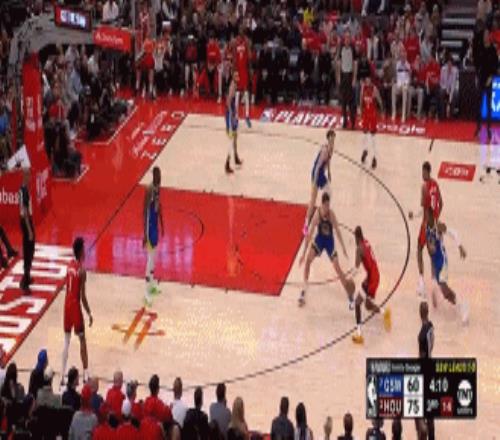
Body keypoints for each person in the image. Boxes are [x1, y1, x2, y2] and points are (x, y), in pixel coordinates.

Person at [299, 192, 351, 308]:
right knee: (307, 261)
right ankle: (304, 290)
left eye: (328, 205)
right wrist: (303, 253)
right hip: (320, 240)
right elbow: (309, 234)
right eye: (326, 205)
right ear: (322, 204)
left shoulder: (331, 215)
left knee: (337, 267)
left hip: (329, 242)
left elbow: (337, 231)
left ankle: (349, 296)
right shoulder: (317, 215)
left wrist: (343, 248)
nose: (327, 207)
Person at [425, 207, 468, 320]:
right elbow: (430, 250)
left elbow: (453, 232)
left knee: (444, 288)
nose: (425, 217)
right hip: (435, 263)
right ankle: (457, 303)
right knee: (442, 290)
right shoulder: (427, 228)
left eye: (427, 215)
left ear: (431, 215)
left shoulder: (438, 226)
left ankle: (461, 305)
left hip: (442, 262)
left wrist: (460, 246)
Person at [61, 237, 93, 385]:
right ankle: (86, 374)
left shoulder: (68, 266)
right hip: (74, 305)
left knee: (66, 340)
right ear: (80, 251)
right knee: (82, 340)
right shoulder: (82, 271)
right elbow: (83, 297)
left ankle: (62, 376)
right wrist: (89, 313)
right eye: (84, 249)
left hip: (66, 304)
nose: (85, 252)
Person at [351, 227, 391, 344]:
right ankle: (359, 334)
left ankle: (384, 312)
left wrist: (348, 277)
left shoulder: (359, 248)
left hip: (372, 279)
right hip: (372, 275)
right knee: (359, 303)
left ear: (356, 237)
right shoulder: (366, 242)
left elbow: (356, 268)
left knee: (367, 305)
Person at [409, 161, 442, 298]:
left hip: (426, 224)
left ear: (427, 172)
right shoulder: (435, 184)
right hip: (434, 223)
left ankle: (422, 283)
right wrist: (436, 219)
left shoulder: (424, 187)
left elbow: (424, 210)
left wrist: (414, 216)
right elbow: (442, 203)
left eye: (423, 172)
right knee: (432, 253)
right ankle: (434, 282)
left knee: (419, 249)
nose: (422, 174)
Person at [303, 129, 335, 236]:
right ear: (328, 139)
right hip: (317, 173)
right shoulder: (324, 150)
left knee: (328, 192)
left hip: (321, 173)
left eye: (333, 138)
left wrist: (329, 172)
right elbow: (317, 166)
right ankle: (306, 224)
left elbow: (329, 161)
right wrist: (314, 182)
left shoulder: (331, 148)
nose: (332, 140)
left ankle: (322, 213)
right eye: (331, 138)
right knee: (313, 199)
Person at [143, 166, 164, 306]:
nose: (160, 177)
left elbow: (158, 205)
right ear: (154, 175)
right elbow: (145, 212)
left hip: (155, 225)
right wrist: (145, 233)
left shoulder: (158, 187)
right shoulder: (149, 189)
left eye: (161, 175)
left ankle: (152, 286)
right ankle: (146, 294)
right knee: (150, 259)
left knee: (154, 257)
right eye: (158, 175)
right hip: (150, 227)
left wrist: (162, 223)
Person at [475, 29, 498, 140]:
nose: (485, 37)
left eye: (487, 35)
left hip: (489, 79)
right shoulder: (480, 48)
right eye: (484, 35)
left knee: (488, 106)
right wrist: (477, 76)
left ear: (489, 36)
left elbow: (495, 65)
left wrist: (491, 77)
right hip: (481, 79)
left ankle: (488, 129)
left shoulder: (492, 50)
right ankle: (478, 128)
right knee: (479, 105)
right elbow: (477, 63)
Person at [416, 301, 434, 439]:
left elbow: (422, 355)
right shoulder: (431, 326)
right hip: (430, 363)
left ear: (420, 313)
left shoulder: (422, 334)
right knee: (430, 407)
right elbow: (431, 345)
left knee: (420, 405)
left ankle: (422, 435)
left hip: (424, 369)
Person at [360, 76, 383, 170]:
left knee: (373, 138)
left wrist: (381, 110)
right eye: (366, 81)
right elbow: (361, 100)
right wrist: (360, 110)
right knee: (365, 135)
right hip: (366, 115)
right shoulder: (363, 88)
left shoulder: (374, 89)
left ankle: (374, 158)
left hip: (372, 115)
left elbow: (379, 100)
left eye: (369, 81)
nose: (367, 82)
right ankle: (365, 150)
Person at [19, 168, 35, 293]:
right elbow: (24, 212)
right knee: (28, 251)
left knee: (30, 249)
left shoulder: (24, 189)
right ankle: (24, 282)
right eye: (28, 174)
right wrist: (29, 230)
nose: (30, 177)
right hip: (26, 222)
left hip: (27, 221)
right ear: (24, 176)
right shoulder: (23, 191)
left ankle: (27, 276)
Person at [225, 70, 243, 174]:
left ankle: (236, 157)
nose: (238, 76)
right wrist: (232, 115)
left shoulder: (235, 85)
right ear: (233, 77)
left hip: (233, 114)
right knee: (231, 139)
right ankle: (227, 164)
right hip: (230, 115)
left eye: (238, 75)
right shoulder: (232, 86)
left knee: (235, 137)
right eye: (236, 75)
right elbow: (228, 101)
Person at [233, 27, 252, 128]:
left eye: (242, 32)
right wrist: (234, 71)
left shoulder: (247, 42)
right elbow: (234, 58)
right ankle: (236, 117)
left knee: (246, 93)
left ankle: (247, 116)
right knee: (237, 93)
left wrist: (250, 70)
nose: (241, 34)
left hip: (244, 70)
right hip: (238, 70)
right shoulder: (235, 42)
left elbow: (249, 58)